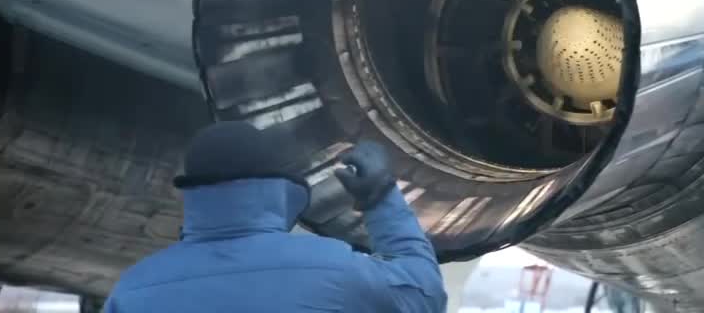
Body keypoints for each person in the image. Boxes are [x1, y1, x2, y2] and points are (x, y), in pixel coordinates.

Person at [104, 121, 447, 312]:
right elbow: (424, 295)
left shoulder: (134, 290)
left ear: (194, 193)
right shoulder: (334, 268)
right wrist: (380, 197)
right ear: (278, 189)